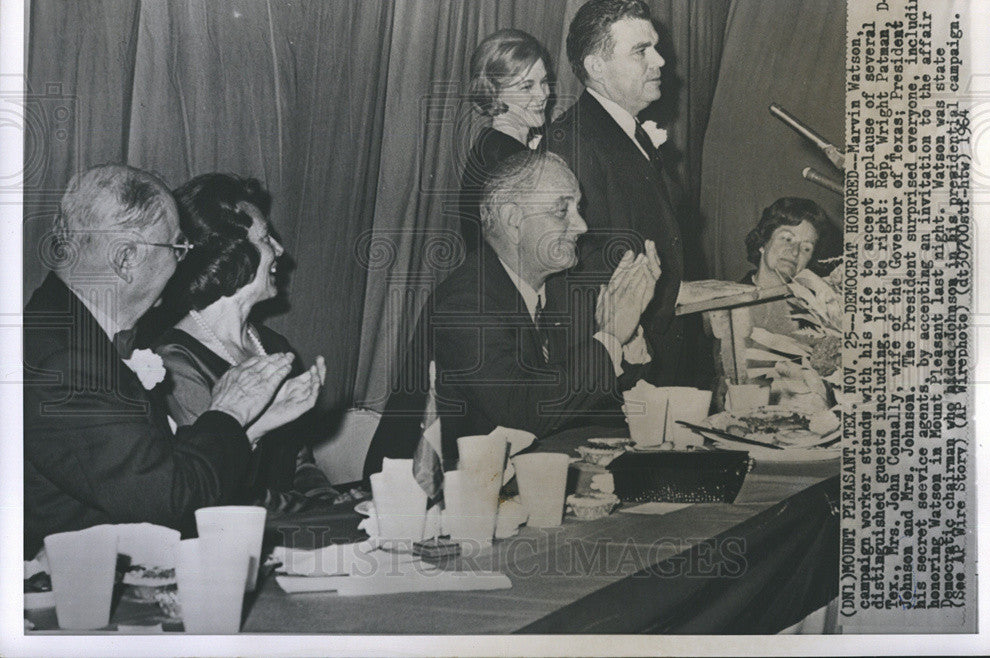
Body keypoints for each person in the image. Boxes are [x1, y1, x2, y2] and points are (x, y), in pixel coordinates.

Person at [23, 165, 321, 556]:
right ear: (126, 258)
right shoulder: (65, 360)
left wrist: (251, 428)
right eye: (177, 247)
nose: (184, 263)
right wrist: (228, 412)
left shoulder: (72, 333)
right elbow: (168, 501)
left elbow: (160, 470)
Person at [365, 151, 659, 472]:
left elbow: (572, 401)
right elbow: (525, 411)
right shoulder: (466, 303)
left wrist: (626, 345)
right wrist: (611, 335)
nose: (582, 226)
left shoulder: (551, 293)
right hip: (420, 499)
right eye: (562, 210)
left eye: (578, 208)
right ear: (512, 220)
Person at [153, 173, 340, 512]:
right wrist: (315, 513)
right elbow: (212, 491)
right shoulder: (174, 363)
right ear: (232, 253)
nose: (281, 251)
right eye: (267, 238)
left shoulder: (274, 345)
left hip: (294, 528)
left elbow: (301, 462)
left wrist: (333, 503)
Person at [546, 0, 684, 385]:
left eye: (655, 47)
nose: (659, 61)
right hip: (614, 369)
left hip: (651, 354)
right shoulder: (571, 141)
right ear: (597, 67)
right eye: (641, 51)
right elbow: (568, 267)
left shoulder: (628, 128)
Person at [458, 28, 553, 251]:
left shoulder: (493, 144)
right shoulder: (506, 157)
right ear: (494, 92)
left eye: (544, 82)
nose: (543, 94)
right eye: (527, 87)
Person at [741, 196, 835, 337]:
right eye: (787, 239)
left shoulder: (817, 312)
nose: (795, 251)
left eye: (806, 248)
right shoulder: (730, 300)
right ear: (763, 242)